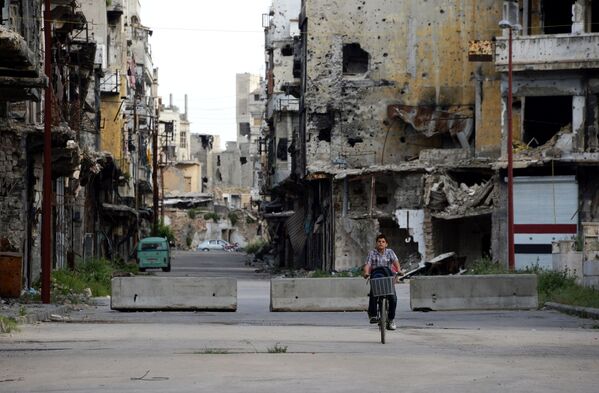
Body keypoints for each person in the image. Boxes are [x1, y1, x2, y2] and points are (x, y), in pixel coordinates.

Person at [363, 233, 402, 330]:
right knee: (373, 294)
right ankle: (373, 315)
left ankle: (391, 319)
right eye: (379, 241)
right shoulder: (372, 253)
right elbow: (367, 264)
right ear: (376, 243)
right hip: (376, 278)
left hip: (388, 278)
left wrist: (399, 270)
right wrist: (366, 273)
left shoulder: (390, 252)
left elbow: (396, 262)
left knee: (393, 299)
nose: (381, 243)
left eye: (383, 242)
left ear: (386, 244)